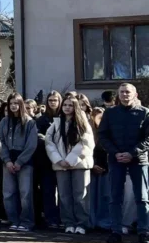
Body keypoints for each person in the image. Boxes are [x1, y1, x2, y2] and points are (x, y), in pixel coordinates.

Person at [97, 82, 149, 243]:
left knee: (142, 197)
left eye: (128, 92)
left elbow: (148, 139)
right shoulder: (110, 113)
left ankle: (144, 232)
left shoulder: (145, 113)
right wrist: (116, 153)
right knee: (115, 197)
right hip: (116, 160)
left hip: (138, 160)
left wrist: (132, 153)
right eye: (122, 92)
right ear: (118, 95)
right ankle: (116, 231)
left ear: (135, 95)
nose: (125, 95)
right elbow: (103, 136)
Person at [46, 96, 94, 234]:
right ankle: (68, 222)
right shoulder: (56, 123)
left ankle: (82, 224)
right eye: (65, 105)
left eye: (70, 105)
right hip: (61, 164)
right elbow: (49, 143)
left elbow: (87, 143)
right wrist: (59, 160)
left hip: (79, 164)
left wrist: (71, 159)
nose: (67, 107)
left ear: (75, 107)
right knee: (64, 196)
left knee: (80, 195)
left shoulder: (82, 122)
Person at [0, 93, 38, 231]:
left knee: (25, 193)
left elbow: (31, 144)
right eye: (11, 103)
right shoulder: (4, 121)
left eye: (16, 103)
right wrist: (7, 160)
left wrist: (20, 161)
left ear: (21, 104)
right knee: (8, 193)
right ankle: (13, 220)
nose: (13, 106)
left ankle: (26, 222)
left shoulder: (29, 122)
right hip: (7, 160)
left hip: (24, 162)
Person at [35, 91, 63, 229]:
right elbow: (38, 137)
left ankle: (63, 217)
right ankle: (50, 218)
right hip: (46, 161)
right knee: (48, 191)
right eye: (50, 100)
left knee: (64, 192)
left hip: (64, 160)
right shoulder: (41, 119)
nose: (53, 103)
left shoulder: (65, 117)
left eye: (55, 100)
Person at [89, 108, 112, 231]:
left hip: (106, 168)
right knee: (92, 196)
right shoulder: (89, 132)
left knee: (105, 195)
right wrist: (92, 165)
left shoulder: (110, 132)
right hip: (91, 168)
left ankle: (104, 221)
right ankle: (92, 221)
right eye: (99, 118)